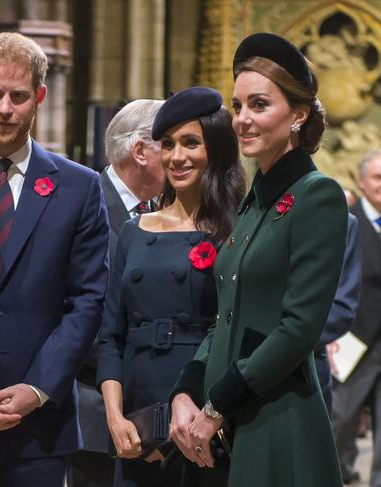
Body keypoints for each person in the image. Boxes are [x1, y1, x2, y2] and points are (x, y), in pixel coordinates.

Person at [169, 32, 348, 487]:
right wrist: (186, 392)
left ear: (299, 114)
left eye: (259, 105)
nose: (242, 119)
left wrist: (216, 406)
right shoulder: (253, 203)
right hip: (221, 422)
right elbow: (224, 315)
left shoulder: (317, 196)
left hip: (275, 420)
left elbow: (298, 329)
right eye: (237, 105)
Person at [0, 32, 109, 486]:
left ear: (39, 97)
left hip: (41, 424)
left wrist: (38, 388)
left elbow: (88, 300)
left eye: (18, 96)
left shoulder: (79, 187)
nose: (5, 109)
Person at [97, 87, 245, 487]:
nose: (177, 156)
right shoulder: (134, 230)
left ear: (215, 148)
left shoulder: (239, 231)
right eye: (168, 144)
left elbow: (237, 335)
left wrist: (208, 415)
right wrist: (114, 417)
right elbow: (111, 335)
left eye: (190, 143)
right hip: (135, 423)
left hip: (205, 418)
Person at [68, 99, 165, 487]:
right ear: (141, 151)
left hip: (156, 409)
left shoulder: (169, 212)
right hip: (93, 405)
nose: (180, 157)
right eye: (170, 144)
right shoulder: (81, 204)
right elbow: (72, 311)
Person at [332, 149, 381, 487]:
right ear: (362, 182)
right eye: (378, 178)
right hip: (354, 337)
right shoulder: (346, 221)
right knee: (340, 418)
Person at [314, 211, 360, 415]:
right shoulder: (251, 213)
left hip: (309, 362)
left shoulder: (342, 221)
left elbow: (342, 307)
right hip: (247, 365)